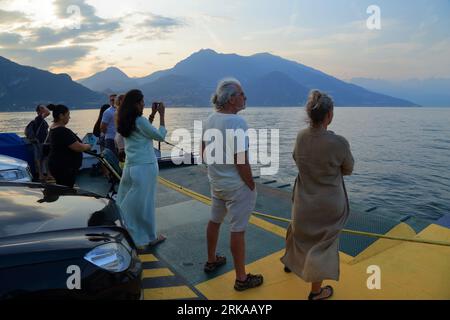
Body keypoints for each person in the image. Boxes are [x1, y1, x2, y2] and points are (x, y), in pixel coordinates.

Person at [280, 90, 354, 300]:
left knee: (298, 230)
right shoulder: (339, 143)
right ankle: (316, 292)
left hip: (303, 200)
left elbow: (296, 158)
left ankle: (290, 263)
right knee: (323, 245)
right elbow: (348, 169)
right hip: (329, 205)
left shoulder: (301, 136)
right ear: (329, 114)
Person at [201, 78, 263, 291]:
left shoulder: (209, 119)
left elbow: (203, 153)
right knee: (238, 230)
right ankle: (242, 278)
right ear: (230, 99)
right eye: (241, 94)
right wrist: (251, 185)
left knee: (215, 221)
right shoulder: (237, 123)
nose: (245, 98)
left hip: (217, 183)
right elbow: (241, 161)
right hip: (236, 187)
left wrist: (216, 171)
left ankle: (211, 259)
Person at [116, 89, 167, 249]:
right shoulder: (139, 120)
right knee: (146, 204)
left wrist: (151, 115)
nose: (144, 104)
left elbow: (144, 131)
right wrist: (162, 116)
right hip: (145, 167)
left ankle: (124, 228)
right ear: (136, 104)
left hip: (131, 167)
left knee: (125, 199)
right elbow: (159, 136)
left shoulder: (124, 120)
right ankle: (150, 237)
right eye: (142, 101)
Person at [47, 104, 92, 188]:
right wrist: (87, 146)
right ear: (61, 116)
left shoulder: (53, 128)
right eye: (68, 115)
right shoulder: (62, 131)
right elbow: (78, 147)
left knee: (61, 187)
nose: (69, 117)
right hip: (64, 168)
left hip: (57, 165)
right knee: (66, 190)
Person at [25, 104, 50, 180]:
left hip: (44, 142)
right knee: (39, 159)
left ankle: (48, 174)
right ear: (39, 111)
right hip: (39, 142)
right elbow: (48, 112)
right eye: (42, 108)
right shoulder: (38, 118)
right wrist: (45, 107)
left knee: (45, 158)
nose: (44, 109)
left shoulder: (41, 120)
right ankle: (40, 175)